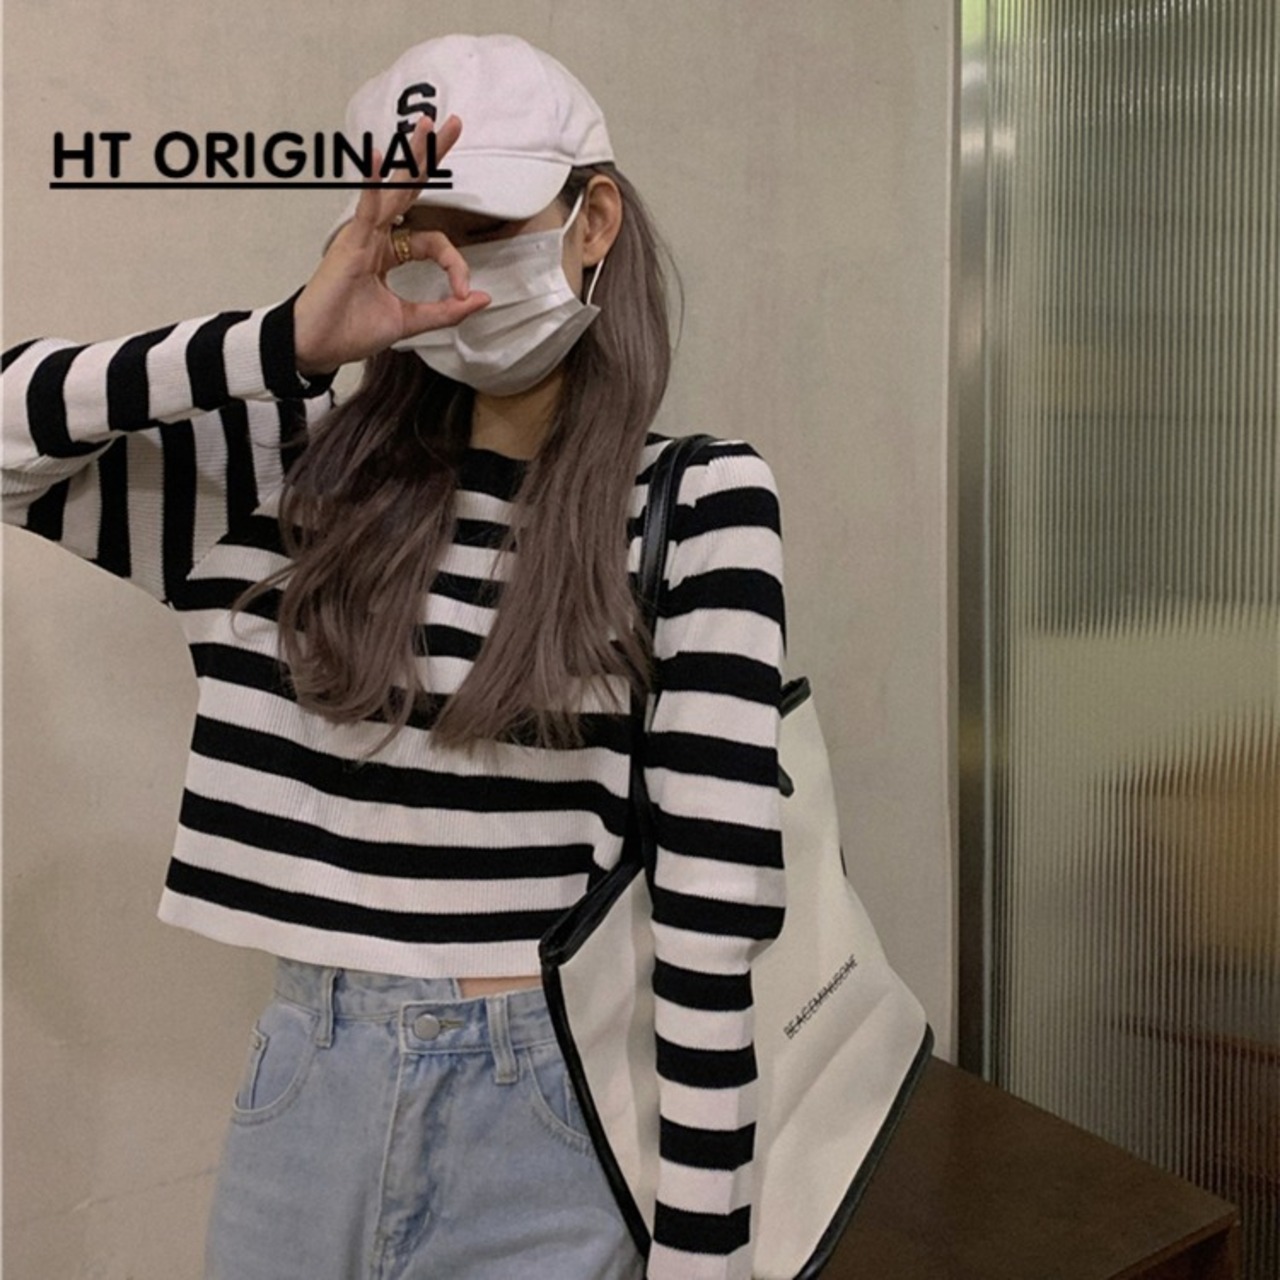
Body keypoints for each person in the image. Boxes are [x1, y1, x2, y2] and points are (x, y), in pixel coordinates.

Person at [2, 33, 786, 1280]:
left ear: (592, 220)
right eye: (415, 231)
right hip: (304, 1083)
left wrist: (705, 1254)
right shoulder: (285, 468)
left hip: (549, 1108)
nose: (452, 267)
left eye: (487, 226)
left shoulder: (693, 504)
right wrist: (284, 340)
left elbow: (712, 912)